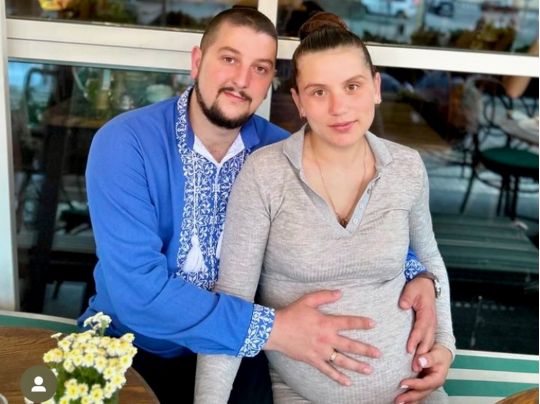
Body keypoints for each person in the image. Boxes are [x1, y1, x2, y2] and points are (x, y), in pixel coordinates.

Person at [79, 8, 441, 403]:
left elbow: (363, 230)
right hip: (134, 344)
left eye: (260, 68)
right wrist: (276, 329)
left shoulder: (278, 156)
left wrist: (419, 273)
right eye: (229, 59)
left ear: (271, 83)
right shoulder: (126, 143)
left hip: (240, 349)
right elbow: (138, 294)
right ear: (197, 61)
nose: (241, 80)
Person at [194, 12, 455, 404]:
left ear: (376, 88)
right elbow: (233, 301)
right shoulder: (266, 174)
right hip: (304, 394)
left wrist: (445, 347)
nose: (339, 107)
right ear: (299, 101)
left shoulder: (406, 167)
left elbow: (429, 257)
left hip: (414, 392)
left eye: (352, 86)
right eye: (319, 92)